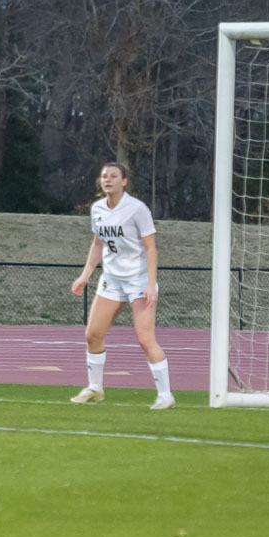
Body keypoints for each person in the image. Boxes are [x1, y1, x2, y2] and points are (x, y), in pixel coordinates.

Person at [69, 163, 174, 410]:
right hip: (112, 279)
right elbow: (98, 244)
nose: (108, 180)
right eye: (104, 176)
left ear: (124, 181)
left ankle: (165, 395)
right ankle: (95, 388)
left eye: (114, 176)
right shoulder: (97, 209)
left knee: (145, 338)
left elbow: (151, 248)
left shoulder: (137, 209)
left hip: (137, 279)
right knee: (92, 334)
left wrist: (150, 284)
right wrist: (85, 275)